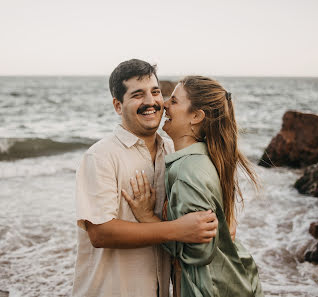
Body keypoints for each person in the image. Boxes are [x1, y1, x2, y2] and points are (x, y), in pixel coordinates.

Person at [72, 60, 219, 297]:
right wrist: (177, 230)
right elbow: (100, 233)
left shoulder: (173, 150)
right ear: (118, 106)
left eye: (156, 92)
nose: (150, 102)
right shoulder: (101, 156)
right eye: (138, 95)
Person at [122, 76, 264, 297]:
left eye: (175, 101)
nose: (165, 105)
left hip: (211, 288)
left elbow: (199, 250)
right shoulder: (205, 156)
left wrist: (147, 217)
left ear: (196, 116)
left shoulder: (189, 171)